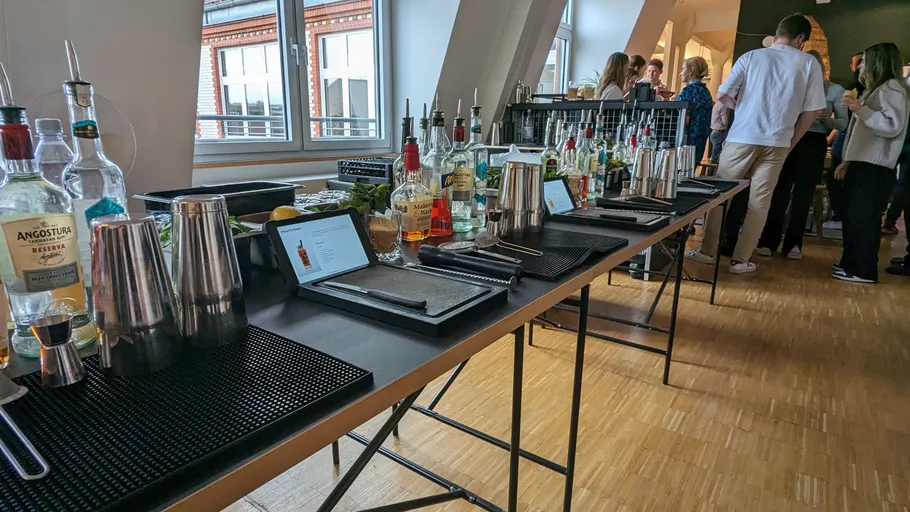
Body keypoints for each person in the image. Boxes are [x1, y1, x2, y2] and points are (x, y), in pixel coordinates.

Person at [685, 13, 826, 274]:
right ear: (801, 39)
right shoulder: (809, 64)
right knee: (760, 202)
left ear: (777, 33)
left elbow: (722, 95)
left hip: (742, 136)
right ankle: (741, 259)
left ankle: (707, 251)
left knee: (720, 194)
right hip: (779, 141)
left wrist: (744, 109)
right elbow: (812, 111)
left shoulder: (750, 57)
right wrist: (792, 140)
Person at [757, 49, 848, 260]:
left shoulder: (834, 90)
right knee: (779, 190)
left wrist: (827, 119)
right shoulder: (790, 84)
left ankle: (794, 243)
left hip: (814, 140)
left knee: (803, 194)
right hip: (787, 138)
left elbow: (844, 123)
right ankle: (768, 241)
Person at [832, 42, 909, 283]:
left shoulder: (893, 88)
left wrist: (860, 109)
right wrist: (848, 161)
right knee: (855, 216)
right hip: (864, 163)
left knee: (864, 219)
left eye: (864, 61)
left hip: (874, 166)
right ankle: (852, 263)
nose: (860, 66)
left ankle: (863, 270)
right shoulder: (878, 89)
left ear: (877, 62)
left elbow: (891, 126)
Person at [825, 52, 866, 231]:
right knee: (835, 177)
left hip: (853, 140)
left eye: (860, 63)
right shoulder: (851, 89)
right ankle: (842, 216)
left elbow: (846, 120)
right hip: (846, 138)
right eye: (856, 63)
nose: (857, 67)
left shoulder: (859, 91)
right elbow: (844, 121)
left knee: (838, 178)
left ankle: (842, 216)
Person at [674, 56, 713, 164]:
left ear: (691, 70)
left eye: (683, 69)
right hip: (701, 138)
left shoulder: (688, 91)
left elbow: (682, 118)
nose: (680, 73)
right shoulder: (706, 92)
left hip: (687, 139)